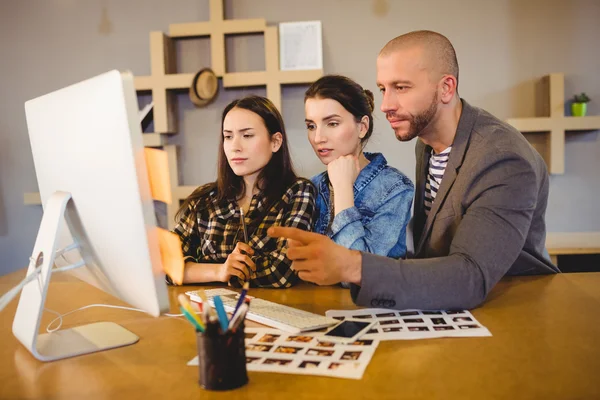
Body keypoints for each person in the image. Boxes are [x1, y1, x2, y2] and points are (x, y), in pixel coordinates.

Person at [269, 30, 559, 310]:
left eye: (401, 88)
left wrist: (350, 264)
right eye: (383, 89)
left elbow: (470, 276)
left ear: (446, 88)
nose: (385, 105)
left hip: (510, 309)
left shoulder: (502, 159)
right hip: (444, 306)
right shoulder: (427, 144)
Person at [172, 95, 316, 288]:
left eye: (247, 136)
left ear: (275, 141)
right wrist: (220, 271)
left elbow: (283, 269)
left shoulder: (297, 192)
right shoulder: (206, 200)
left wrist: (198, 270)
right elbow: (166, 261)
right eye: (228, 136)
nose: (235, 147)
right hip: (210, 312)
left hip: (273, 313)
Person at [304, 75, 414, 265]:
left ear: (362, 127)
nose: (318, 137)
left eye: (332, 123)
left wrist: (343, 190)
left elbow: (357, 272)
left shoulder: (395, 188)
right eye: (311, 126)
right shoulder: (310, 187)